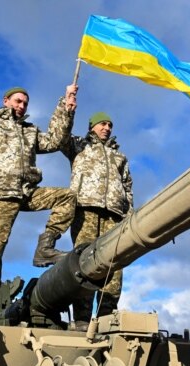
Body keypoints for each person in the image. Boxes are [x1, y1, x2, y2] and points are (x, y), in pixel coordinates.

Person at [0, 85, 78, 321]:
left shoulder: (29, 130)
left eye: (25, 103)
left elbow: (55, 141)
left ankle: (45, 247)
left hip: (27, 190)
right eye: (18, 101)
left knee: (67, 196)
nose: (21, 106)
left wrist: (65, 108)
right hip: (1, 193)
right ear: (6, 100)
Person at [61, 112, 133, 331]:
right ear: (92, 126)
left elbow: (127, 186)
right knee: (85, 263)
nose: (107, 128)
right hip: (85, 209)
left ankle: (106, 316)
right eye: (103, 124)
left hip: (114, 213)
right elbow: (61, 136)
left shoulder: (119, 156)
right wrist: (69, 107)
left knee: (114, 264)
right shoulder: (79, 147)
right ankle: (82, 317)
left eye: (110, 125)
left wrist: (128, 213)